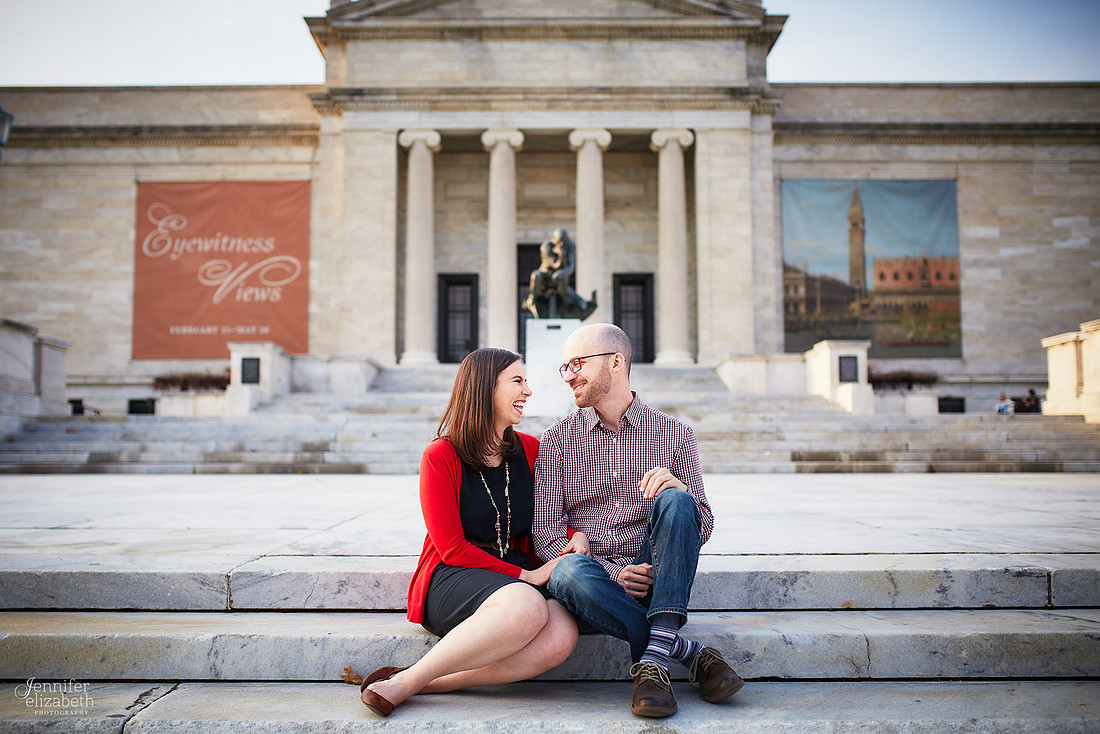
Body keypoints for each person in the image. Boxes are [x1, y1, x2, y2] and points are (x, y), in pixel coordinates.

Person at [532, 323, 743, 718]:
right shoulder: (557, 439)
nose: (569, 376)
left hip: (659, 578)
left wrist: (681, 491)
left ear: (616, 362)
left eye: (577, 364)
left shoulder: (675, 434)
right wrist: (615, 573)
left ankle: (653, 660)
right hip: (595, 584)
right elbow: (545, 535)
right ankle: (679, 649)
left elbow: (703, 524)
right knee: (565, 572)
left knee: (678, 501)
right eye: (565, 367)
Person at [359, 348, 582, 717]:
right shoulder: (440, 455)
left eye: (526, 381)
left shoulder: (531, 449)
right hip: (454, 575)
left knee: (562, 634)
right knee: (527, 605)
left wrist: (576, 535)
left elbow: (548, 516)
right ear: (484, 389)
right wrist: (526, 575)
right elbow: (452, 548)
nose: (528, 391)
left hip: (516, 572)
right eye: (517, 381)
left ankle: (426, 681)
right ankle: (404, 684)